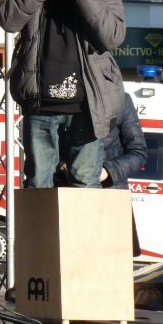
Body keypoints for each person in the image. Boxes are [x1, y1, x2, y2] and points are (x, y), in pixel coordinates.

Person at [0, 0, 126, 189]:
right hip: (41, 104)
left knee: (85, 186)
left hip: (87, 107)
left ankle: (82, 234)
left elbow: (112, 37)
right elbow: (7, 20)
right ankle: (37, 233)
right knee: (38, 187)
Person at [57, 92, 146, 255]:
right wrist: (62, 164)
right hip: (68, 200)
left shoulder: (121, 99)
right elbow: (46, 148)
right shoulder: (63, 98)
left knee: (110, 269)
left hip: (110, 199)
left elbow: (138, 152)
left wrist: (107, 172)